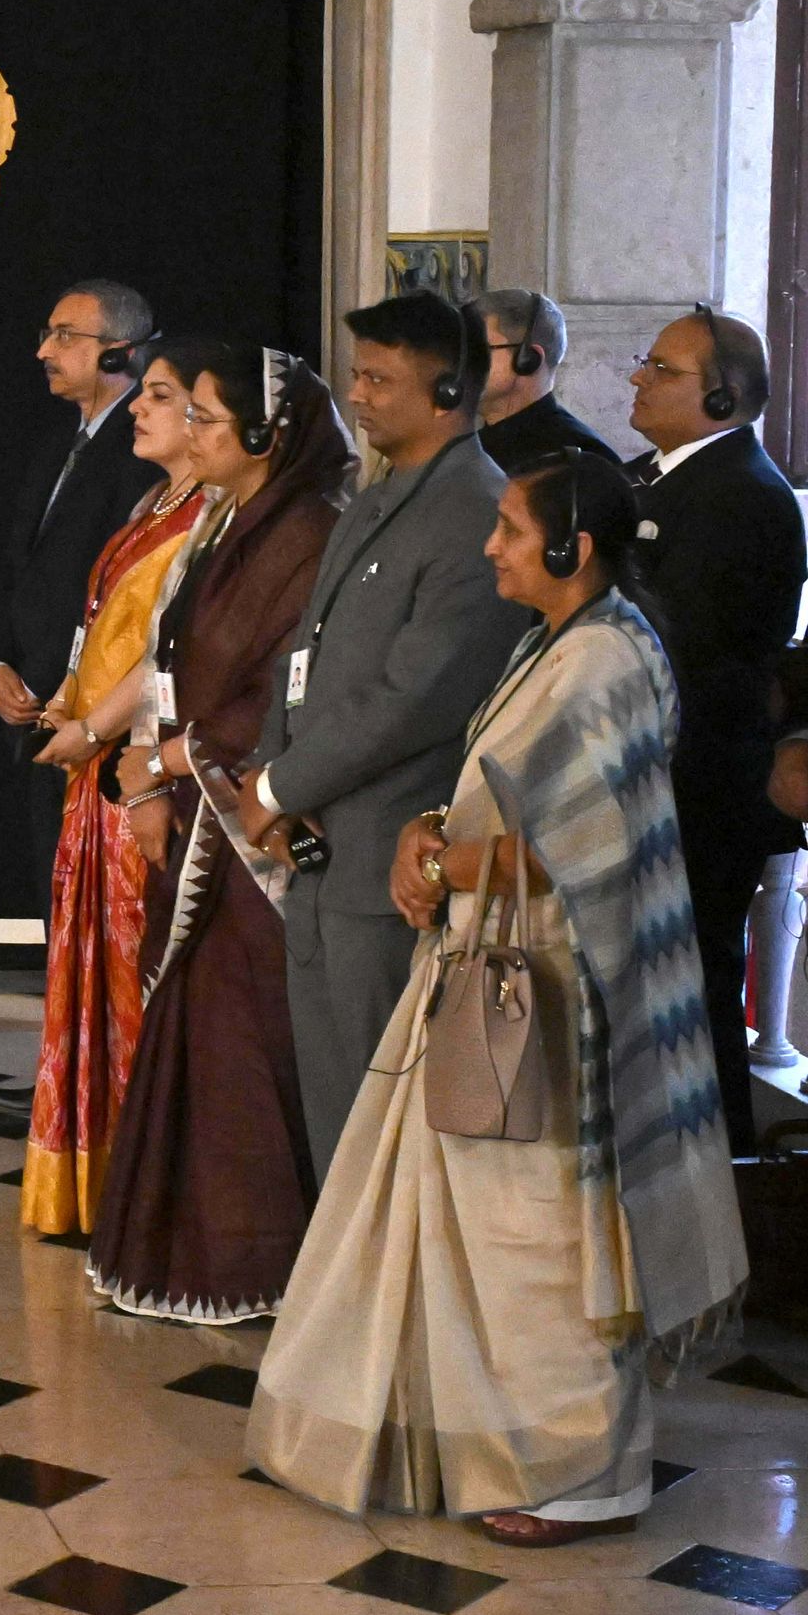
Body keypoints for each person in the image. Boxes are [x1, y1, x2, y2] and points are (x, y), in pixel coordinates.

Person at [252, 453, 746, 1545]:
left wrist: (444, 866)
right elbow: (501, 788)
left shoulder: (605, 660)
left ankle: (583, 1474)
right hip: (495, 964)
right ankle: (482, 1442)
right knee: (483, 1226)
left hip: (559, 995)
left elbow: (586, 842)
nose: (492, 547)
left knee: (545, 1240)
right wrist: (428, 830)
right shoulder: (551, 642)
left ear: (573, 547)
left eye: (512, 531)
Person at [86, 344, 352, 1323]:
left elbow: (288, 690)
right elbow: (169, 660)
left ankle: (258, 1264)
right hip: (190, 800)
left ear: (265, 434)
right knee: (192, 1031)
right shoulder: (218, 521)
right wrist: (147, 770)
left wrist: (166, 761)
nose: (191, 433)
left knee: (244, 1041)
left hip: (253, 826)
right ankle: (180, 1252)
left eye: (205, 417)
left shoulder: (310, 533)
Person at [241, 292, 527, 1165]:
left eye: (378, 380)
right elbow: (306, 649)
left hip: (386, 856)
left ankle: (382, 1261)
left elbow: (417, 696)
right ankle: (344, 1255)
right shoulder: (380, 494)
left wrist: (280, 786)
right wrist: (270, 773)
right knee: (334, 1108)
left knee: (381, 1120)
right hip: (319, 846)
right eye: (356, 375)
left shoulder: (475, 508)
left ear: (447, 393)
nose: (356, 396)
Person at [20, 348, 211, 1232]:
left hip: (140, 770)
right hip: (92, 766)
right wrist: (67, 693)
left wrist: (95, 728)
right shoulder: (151, 504)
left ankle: (140, 1193)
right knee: (89, 967)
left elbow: (167, 650)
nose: (140, 408)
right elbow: (98, 621)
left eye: (162, 398)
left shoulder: (210, 519)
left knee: (135, 973)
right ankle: (90, 1183)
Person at [626, 304, 803, 1153]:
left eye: (663, 368)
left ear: (723, 398)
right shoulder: (653, 477)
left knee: (692, 1000)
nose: (639, 377)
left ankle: (724, 1182)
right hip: (654, 782)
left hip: (697, 790)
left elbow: (677, 645)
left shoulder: (743, 496)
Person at [0, 282, 163, 903]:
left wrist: (69, 697)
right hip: (39, 710)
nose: (44, 351)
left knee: (95, 907)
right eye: (47, 334)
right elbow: (16, 566)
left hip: (98, 719)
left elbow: (121, 595)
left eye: (65, 336)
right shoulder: (58, 443)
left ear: (120, 352)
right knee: (54, 899)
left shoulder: (146, 452)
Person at [467, 289, 617, 478]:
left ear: (529, 359)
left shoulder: (580, 459)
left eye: (478, 350)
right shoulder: (468, 444)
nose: (459, 362)